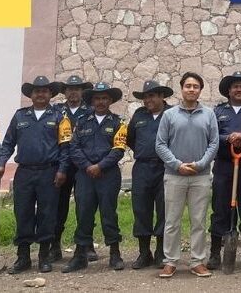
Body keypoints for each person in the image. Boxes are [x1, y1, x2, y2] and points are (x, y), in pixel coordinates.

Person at [0, 76, 68, 274]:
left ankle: (44, 256)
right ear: (31, 94)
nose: (40, 94)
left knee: (47, 214)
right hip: (25, 172)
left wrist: (62, 169)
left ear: (50, 94)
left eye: (45, 91)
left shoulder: (59, 117)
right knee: (23, 212)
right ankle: (23, 256)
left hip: (49, 172)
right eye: (37, 91)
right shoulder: (20, 116)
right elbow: (8, 142)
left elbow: (65, 147)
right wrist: (1, 163)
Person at [155, 72, 219, 279]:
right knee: (172, 221)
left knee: (198, 221)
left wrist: (201, 164)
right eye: (188, 86)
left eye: (196, 86)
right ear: (182, 88)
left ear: (200, 90)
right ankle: (170, 261)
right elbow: (160, 144)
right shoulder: (169, 115)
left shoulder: (209, 114)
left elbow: (214, 143)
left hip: (201, 176)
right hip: (174, 175)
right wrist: (177, 164)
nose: (192, 89)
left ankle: (197, 261)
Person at [62, 82, 127, 273]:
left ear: (110, 101)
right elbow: (73, 147)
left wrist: (100, 166)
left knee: (109, 213)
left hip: (108, 175)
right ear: (91, 100)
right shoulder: (81, 121)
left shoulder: (118, 122)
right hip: (85, 175)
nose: (100, 102)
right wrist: (88, 166)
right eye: (97, 98)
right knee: (83, 214)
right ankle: (80, 255)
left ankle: (115, 254)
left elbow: (119, 149)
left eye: (104, 98)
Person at [207, 71, 241, 270]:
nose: (239, 90)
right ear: (228, 91)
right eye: (235, 86)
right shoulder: (217, 111)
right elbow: (211, 136)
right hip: (223, 166)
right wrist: (227, 138)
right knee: (220, 208)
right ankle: (214, 253)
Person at [127, 80, 173, 270]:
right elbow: (131, 139)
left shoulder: (172, 115)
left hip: (165, 168)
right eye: (146, 96)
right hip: (142, 168)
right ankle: (144, 252)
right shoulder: (138, 116)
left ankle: (161, 252)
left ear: (162, 96)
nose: (148, 99)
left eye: (152, 95)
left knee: (164, 210)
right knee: (141, 209)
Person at [50, 75, 94, 263]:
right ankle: (54, 245)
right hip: (62, 165)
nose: (73, 92)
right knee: (58, 206)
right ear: (64, 92)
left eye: (77, 88)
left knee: (85, 206)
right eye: (69, 89)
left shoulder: (91, 110)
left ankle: (86, 245)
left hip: (84, 166)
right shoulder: (57, 111)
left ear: (83, 91)